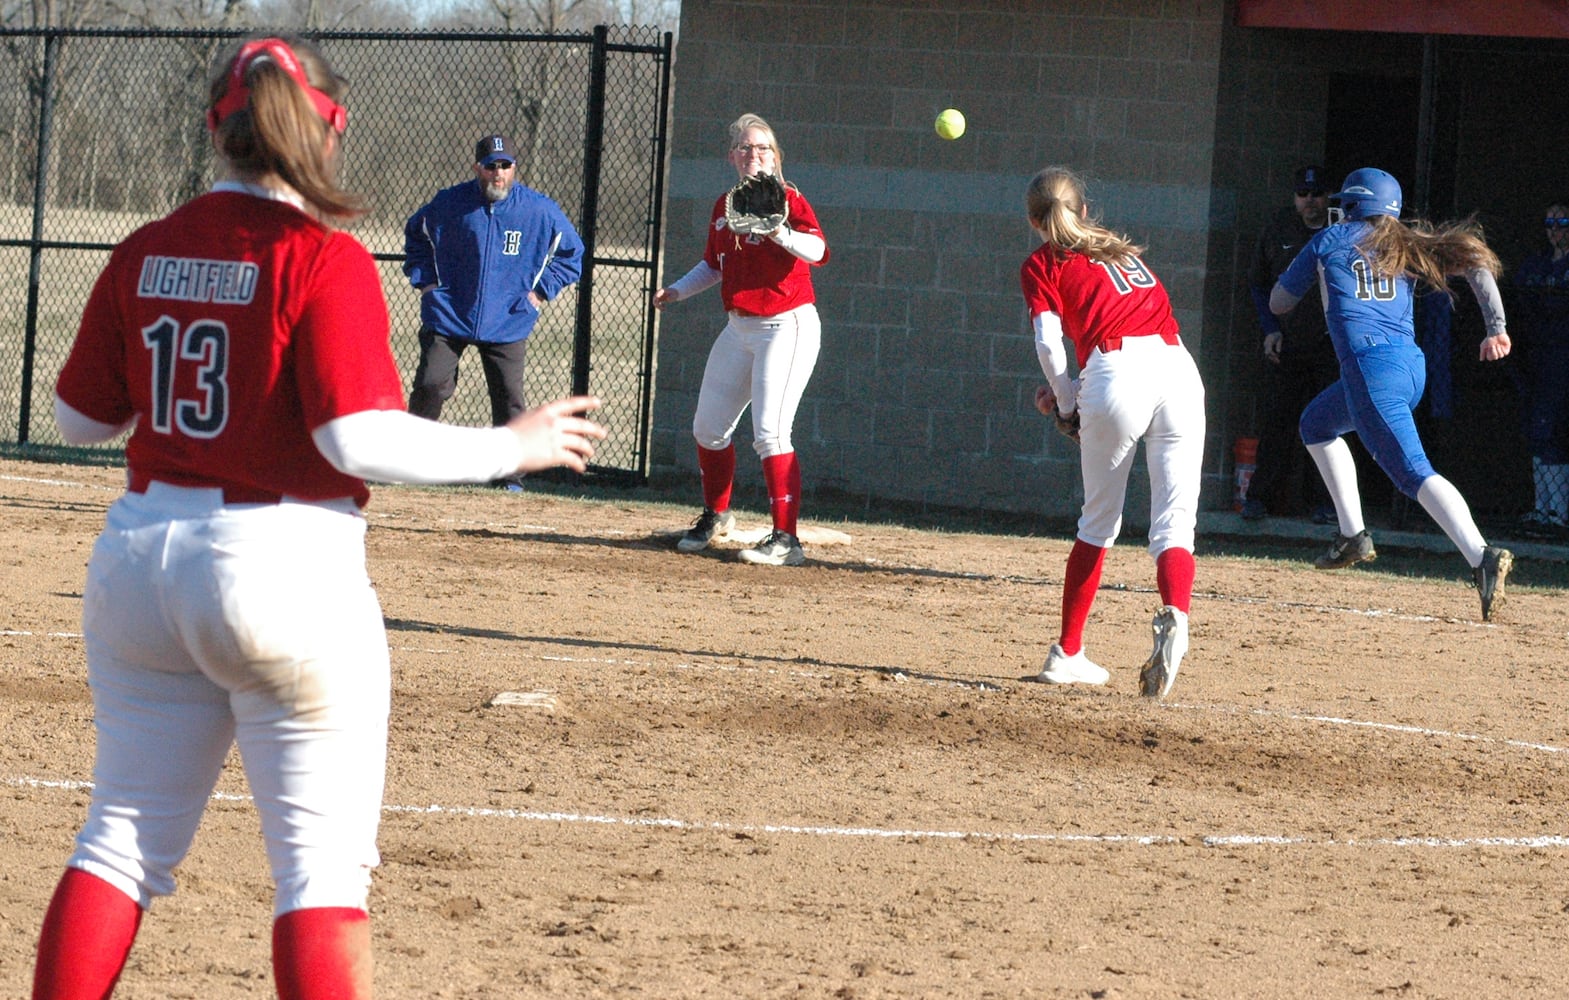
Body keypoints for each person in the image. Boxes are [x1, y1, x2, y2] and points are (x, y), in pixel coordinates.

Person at [32, 37, 605, 1000]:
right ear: (328, 131)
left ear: (216, 130)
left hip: (138, 562)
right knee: (320, 874)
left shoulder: (144, 246)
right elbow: (355, 437)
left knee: (120, 841)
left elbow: (78, 419)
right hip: (281, 566)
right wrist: (512, 445)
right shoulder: (322, 255)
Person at [1271, 167, 1513, 620]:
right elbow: (1478, 263)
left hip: (1369, 368)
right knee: (1316, 424)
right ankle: (1352, 535)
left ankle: (1482, 556)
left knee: (1412, 472)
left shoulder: (1327, 242)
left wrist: (1319, 275)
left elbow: (1278, 303)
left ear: (1356, 204)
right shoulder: (1408, 243)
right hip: (1409, 366)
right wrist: (1495, 329)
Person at [1021, 166, 1206, 701]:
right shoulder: (1120, 250)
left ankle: (1068, 652)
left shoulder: (1042, 261)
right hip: (1177, 368)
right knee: (1175, 521)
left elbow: (1049, 343)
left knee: (1099, 522)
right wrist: (1071, 392)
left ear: (1034, 221)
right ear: (1083, 210)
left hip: (1115, 371)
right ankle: (1176, 612)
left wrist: (1065, 397)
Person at [654, 112, 829, 566]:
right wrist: (676, 290)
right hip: (740, 327)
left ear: (776, 157)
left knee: (771, 432)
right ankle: (716, 514)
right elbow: (715, 265)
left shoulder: (789, 198)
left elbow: (819, 252)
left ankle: (786, 540)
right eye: (747, 148)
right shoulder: (725, 206)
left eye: (764, 148)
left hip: (786, 323)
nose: (756, 155)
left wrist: (779, 231)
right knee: (708, 428)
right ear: (733, 157)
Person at [402, 132, 585, 490]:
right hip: (450, 313)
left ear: (515, 168)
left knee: (509, 400)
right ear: (477, 168)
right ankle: (410, 463)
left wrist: (540, 293)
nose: (498, 173)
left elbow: (571, 255)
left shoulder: (538, 210)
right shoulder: (450, 203)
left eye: (505, 165)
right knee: (430, 384)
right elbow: (415, 238)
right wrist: (426, 284)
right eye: (490, 166)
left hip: (509, 318)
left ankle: (510, 477)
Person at [1242, 165, 1338, 523]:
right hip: (1288, 343)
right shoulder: (1278, 228)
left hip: (1331, 344)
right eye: (1303, 194)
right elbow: (1258, 284)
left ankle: (1326, 505)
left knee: (1327, 426)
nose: (1310, 201)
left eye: (1317, 194)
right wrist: (1270, 329)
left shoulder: (1340, 230)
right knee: (1278, 422)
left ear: (1328, 196)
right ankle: (1258, 499)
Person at [1508, 199, 1569, 533]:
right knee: (1537, 430)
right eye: (1549, 224)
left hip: (1561, 359)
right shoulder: (1537, 264)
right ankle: (1542, 509)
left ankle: (1559, 514)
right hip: (1537, 358)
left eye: (1562, 223)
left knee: (1555, 430)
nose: (1555, 231)